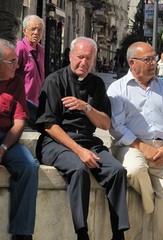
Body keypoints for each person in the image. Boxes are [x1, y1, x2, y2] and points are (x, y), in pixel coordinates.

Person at [35, 37, 130, 240]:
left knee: (117, 171)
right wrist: (79, 151)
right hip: (56, 142)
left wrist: (85, 107)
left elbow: (104, 124)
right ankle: (82, 232)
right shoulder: (54, 81)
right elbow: (49, 126)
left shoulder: (96, 84)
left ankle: (119, 233)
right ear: (70, 55)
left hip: (88, 140)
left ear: (94, 59)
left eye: (88, 58)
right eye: (79, 57)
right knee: (78, 170)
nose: (83, 62)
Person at [107, 41, 163, 240]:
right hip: (130, 146)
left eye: (154, 58)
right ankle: (150, 204)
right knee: (135, 169)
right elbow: (116, 127)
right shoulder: (118, 89)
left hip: (161, 150)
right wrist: (142, 147)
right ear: (133, 63)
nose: (153, 63)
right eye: (148, 59)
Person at [0, 39, 39, 240]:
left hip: (7, 136)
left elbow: (19, 122)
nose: (18, 65)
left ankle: (22, 234)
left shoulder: (16, 81)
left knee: (29, 166)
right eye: (12, 61)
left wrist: (3, 148)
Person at [16, 15, 45, 105]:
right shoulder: (20, 47)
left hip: (37, 102)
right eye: (33, 29)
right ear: (25, 31)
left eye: (39, 29)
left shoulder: (40, 49)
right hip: (23, 103)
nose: (36, 32)